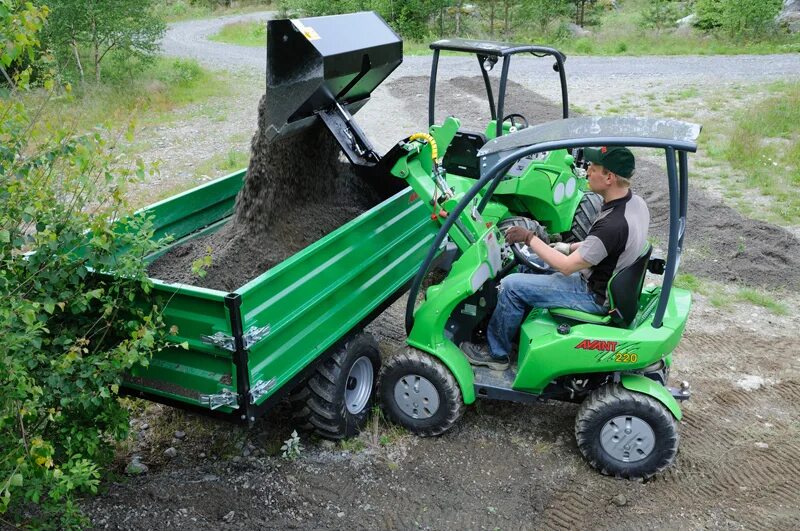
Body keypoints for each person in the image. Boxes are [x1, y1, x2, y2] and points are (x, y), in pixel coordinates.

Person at [461, 146, 650, 370]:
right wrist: (567, 246)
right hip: (603, 279)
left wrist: (529, 237)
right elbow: (602, 247)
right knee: (533, 265)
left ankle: (497, 354)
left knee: (511, 285)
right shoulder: (634, 203)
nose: (587, 171)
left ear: (609, 177)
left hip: (593, 296)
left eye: (593, 168)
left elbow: (567, 267)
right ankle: (512, 329)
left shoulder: (612, 224)